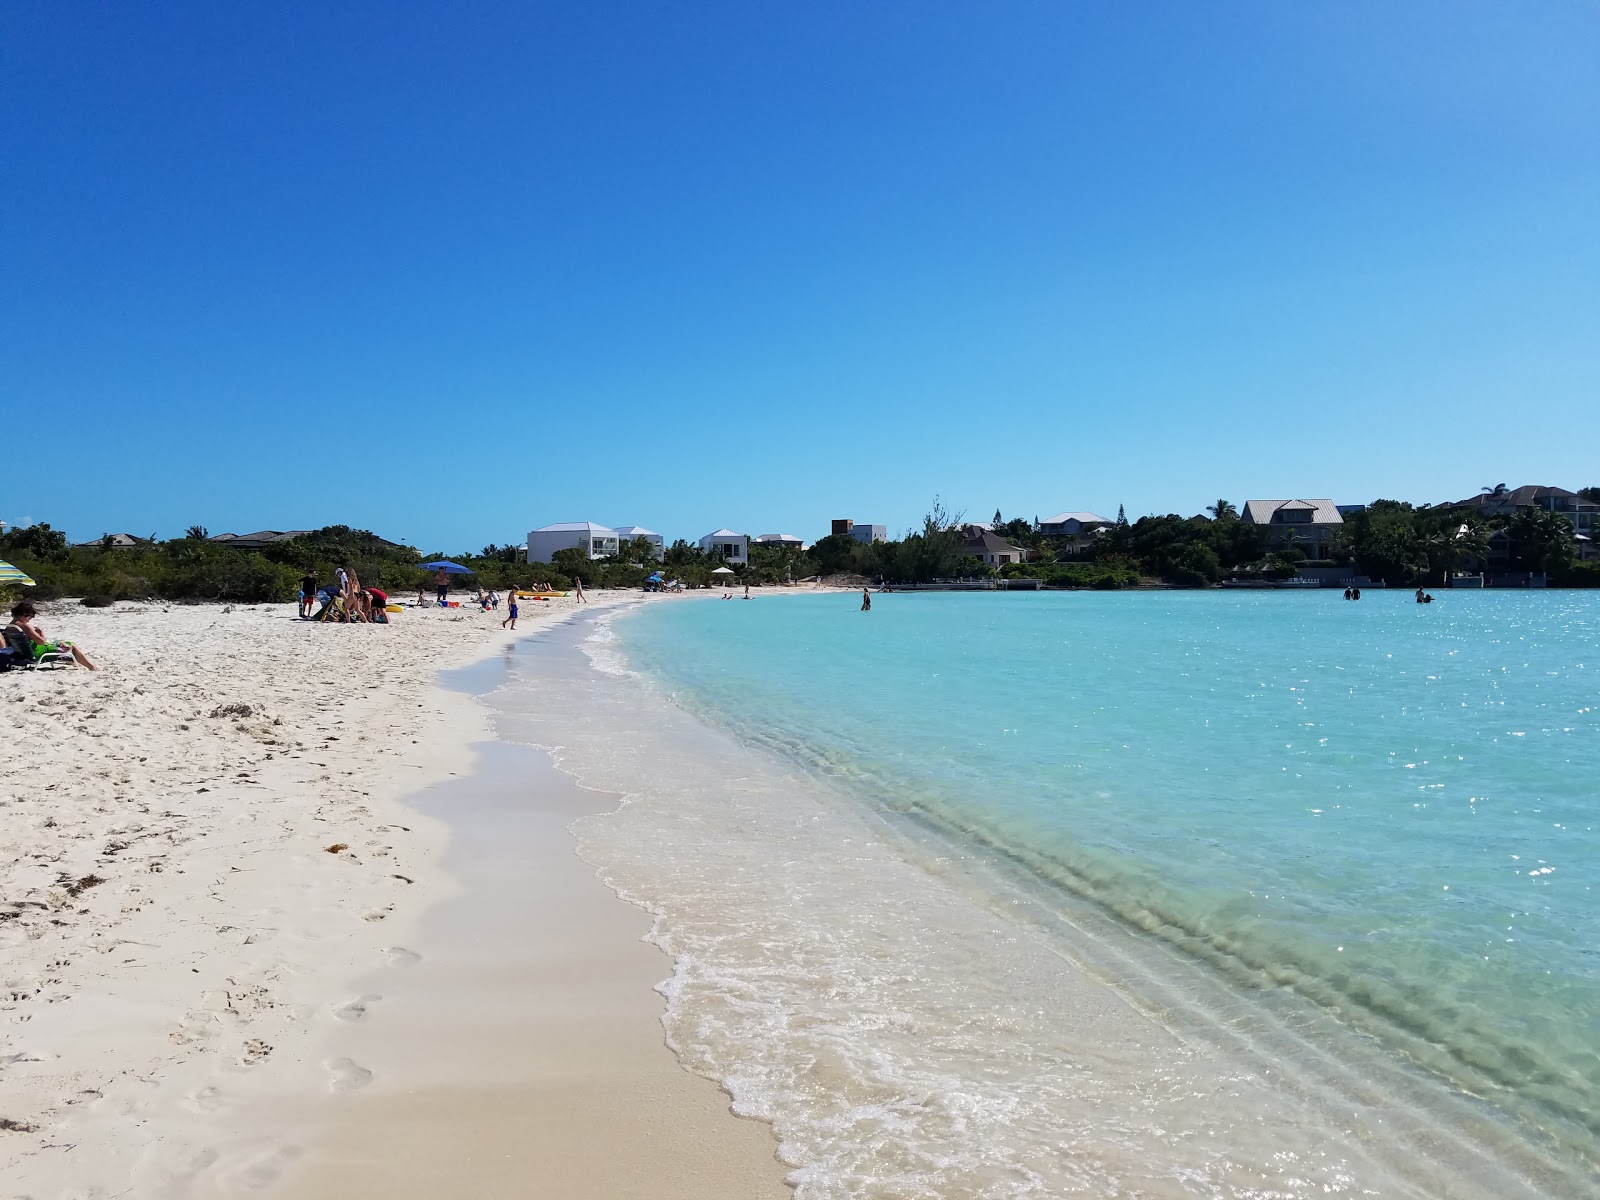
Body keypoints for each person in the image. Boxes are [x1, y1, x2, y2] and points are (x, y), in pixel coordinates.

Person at [6, 602, 96, 669]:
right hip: (37, 654)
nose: (29, 620)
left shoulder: (10, 626)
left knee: (61, 642)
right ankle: (91, 666)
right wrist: (41, 633)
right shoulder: (24, 627)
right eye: (29, 618)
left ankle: (78, 662)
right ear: (24, 615)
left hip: (22, 654)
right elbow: (42, 642)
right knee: (71, 645)